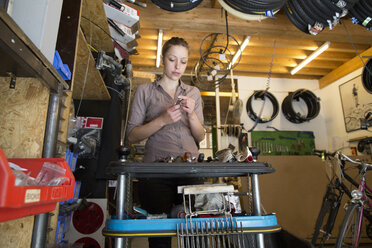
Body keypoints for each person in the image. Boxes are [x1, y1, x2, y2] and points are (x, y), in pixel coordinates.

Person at [126, 37, 205, 248]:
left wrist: (192, 116)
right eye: (172, 59)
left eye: (183, 61)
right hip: (155, 172)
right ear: (163, 59)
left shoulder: (193, 93)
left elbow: (200, 136)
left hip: (191, 170)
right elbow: (132, 136)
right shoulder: (145, 91)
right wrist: (162, 120)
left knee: (193, 233)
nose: (178, 66)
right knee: (160, 236)